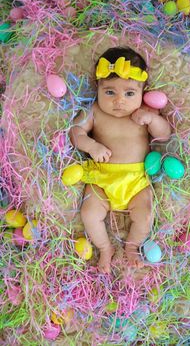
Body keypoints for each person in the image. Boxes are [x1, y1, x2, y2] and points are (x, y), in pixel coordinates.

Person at [69, 47, 171, 273]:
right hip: (100, 178)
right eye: (109, 92)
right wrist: (91, 145)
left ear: (143, 91)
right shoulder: (94, 111)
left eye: (129, 93)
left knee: (144, 215)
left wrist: (152, 119)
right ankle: (105, 248)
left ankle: (132, 246)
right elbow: (75, 132)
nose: (119, 101)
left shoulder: (144, 111)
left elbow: (165, 134)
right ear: (98, 88)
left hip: (136, 181)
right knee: (89, 213)